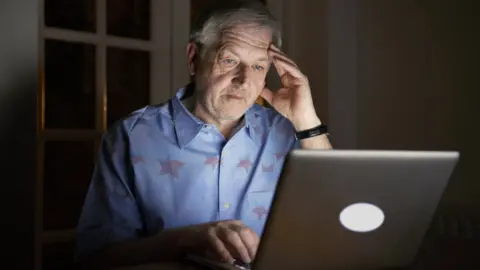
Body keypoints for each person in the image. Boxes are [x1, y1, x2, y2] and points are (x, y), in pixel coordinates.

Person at [76, 0, 332, 268]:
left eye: (258, 66)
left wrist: (307, 121)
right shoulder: (130, 136)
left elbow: (335, 214)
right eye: (230, 60)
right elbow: (97, 258)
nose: (244, 80)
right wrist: (184, 240)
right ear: (193, 58)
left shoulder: (286, 131)